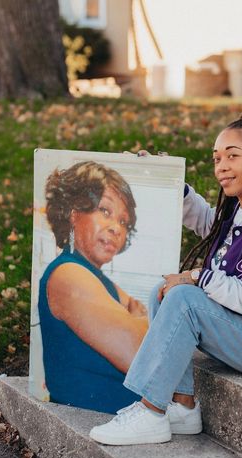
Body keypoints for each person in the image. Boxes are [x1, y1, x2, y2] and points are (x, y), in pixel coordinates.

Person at [89, 103, 242, 445]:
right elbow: (209, 224)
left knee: (185, 298)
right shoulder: (238, 209)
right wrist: (172, 182)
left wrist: (197, 277)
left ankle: (150, 411)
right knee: (163, 291)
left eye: (232, 156)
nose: (222, 167)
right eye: (217, 158)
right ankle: (184, 407)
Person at [38, 161, 148, 413]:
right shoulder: (69, 273)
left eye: (123, 221)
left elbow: (146, 326)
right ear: (73, 213)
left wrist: (142, 321)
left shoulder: (98, 278)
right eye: (105, 211)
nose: (116, 228)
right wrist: (144, 320)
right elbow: (140, 354)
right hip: (92, 419)